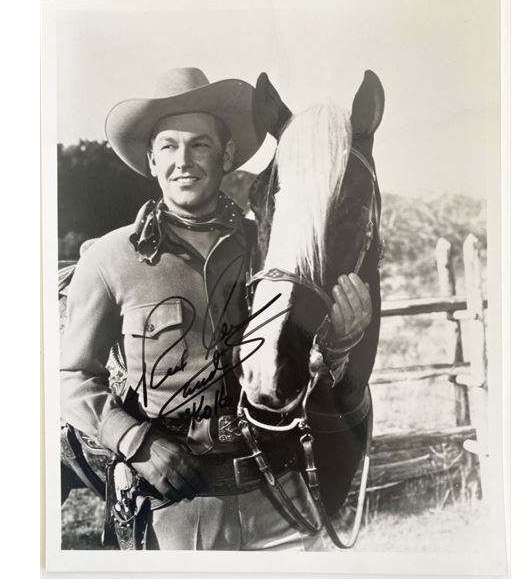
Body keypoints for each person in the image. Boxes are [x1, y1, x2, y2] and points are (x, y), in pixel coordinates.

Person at [60, 67, 372, 550]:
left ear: (226, 155)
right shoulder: (109, 258)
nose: (184, 161)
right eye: (168, 146)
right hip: (179, 514)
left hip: (281, 499)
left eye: (200, 144)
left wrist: (339, 346)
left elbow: (295, 360)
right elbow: (71, 378)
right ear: (150, 158)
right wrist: (136, 443)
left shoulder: (266, 248)